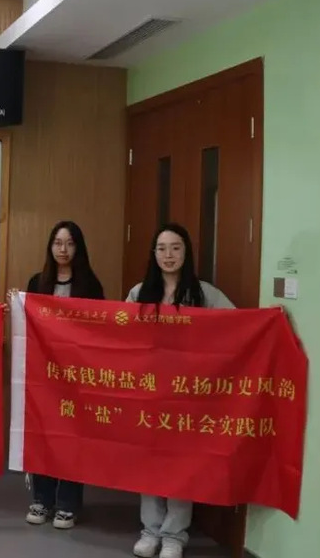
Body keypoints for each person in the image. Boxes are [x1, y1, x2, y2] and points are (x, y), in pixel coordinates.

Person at [127, 222, 234, 558]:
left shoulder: (205, 294)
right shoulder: (139, 293)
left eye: (176, 248)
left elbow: (238, 325)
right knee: (149, 462)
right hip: (149, 391)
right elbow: (118, 336)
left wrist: (271, 320)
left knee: (181, 465)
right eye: (162, 248)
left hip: (187, 394)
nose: (168, 255)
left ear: (186, 252)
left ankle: (174, 535)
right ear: (153, 253)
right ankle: (150, 530)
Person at [15, 220, 105, 530]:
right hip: (43, 375)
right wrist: (17, 303)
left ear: (78, 248)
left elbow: (99, 329)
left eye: (69, 243)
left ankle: (67, 504)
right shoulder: (38, 282)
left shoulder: (90, 285)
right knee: (43, 435)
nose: (63, 249)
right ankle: (41, 499)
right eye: (57, 243)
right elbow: (27, 323)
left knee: (72, 438)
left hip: (76, 375)